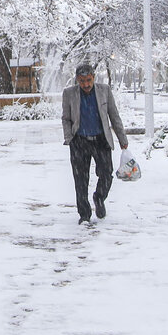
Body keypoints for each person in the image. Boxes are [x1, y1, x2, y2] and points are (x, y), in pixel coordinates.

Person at [61, 63, 129, 225]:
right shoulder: (69, 94)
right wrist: (69, 137)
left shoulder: (104, 91)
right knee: (80, 179)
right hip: (79, 141)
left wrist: (123, 140)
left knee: (106, 174)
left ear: (94, 77)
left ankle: (99, 198)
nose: (86, 84)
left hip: (100, 140)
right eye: (82, 81)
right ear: (77, 80)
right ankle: (84, 214)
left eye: (89, 80)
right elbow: (66, 118)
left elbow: (114, 116)